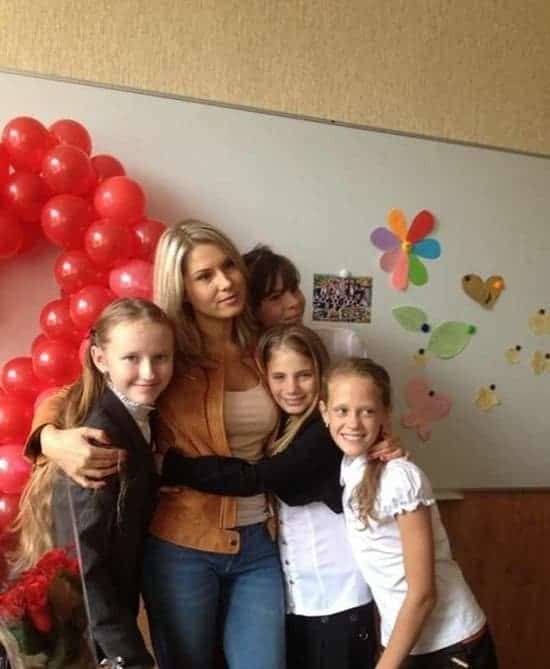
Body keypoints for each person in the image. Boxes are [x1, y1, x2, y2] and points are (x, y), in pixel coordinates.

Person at [29, 221, 286, 669]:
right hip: (183, 539)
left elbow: (316, 403)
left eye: (229, 266)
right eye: (205, 276)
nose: (225, 282)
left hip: (258, 539)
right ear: (183, 288)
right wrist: (49, 438)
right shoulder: (167, 352)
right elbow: (72, 395)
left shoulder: (266, 348)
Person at [161, 325, 401, 669]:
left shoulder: (324, 433)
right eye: (279, 377)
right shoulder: (286, 427)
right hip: (304, 593)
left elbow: (254, 478)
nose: (291, 388)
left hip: (339, 593)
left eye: (304, 375)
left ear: (321, 374)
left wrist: (171, 466)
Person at [13, 298, 176, 668]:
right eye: (132, 358)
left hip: (106, 609)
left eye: (161, 358)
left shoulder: (139, 416)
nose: (149, 372)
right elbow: (84, 563)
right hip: (90, 627)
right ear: (101, 359)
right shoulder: (98, 438)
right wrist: (127, 655)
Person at [320, 357, 499, 669]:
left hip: (451, 645)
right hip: (407, 641)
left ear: (385, 414)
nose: (353, 423)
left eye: (367, 411)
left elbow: (423, 594)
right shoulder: (351, 468)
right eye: (342, 410)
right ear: (324, 413)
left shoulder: (399, 477)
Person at [244, 244, 368, 359]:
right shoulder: (245, 362)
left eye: (294, 289)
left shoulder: (345, 345)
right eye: (275, 297)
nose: (294, 302)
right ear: (250, 308)